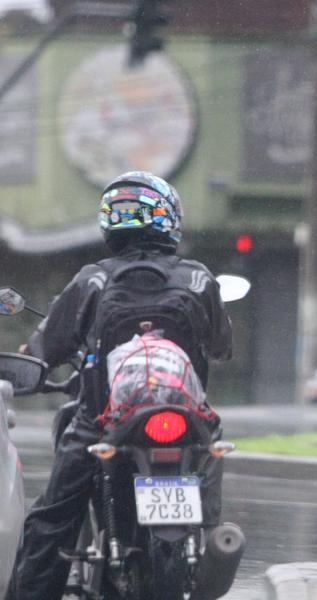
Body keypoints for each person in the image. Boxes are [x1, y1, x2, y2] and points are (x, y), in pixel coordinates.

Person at [7, 171, 233, 600]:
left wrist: (31, 367)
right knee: (212, 441)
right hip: (187, 418)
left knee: (52, 518)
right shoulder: (199, 279)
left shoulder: (93, 279)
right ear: (169, 217)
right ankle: (209, 527)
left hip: (104, 421)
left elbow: (44, 350)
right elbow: (221, 346)